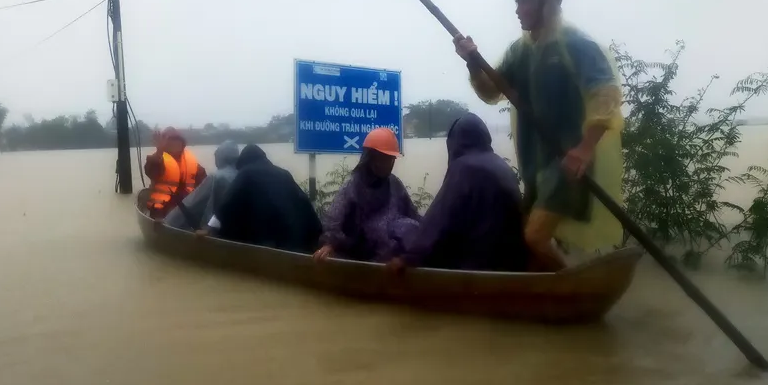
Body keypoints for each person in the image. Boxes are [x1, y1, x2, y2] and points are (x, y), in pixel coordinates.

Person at [454, 0, 624, 269]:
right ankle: (544, 293)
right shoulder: (519, 51)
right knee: (522, 235)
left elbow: (606, 96)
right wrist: (471, 62)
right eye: (517, 1)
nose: (518, 9)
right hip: (536, 162)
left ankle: (572, 291)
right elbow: (492, 92)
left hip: (568, 162)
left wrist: (585, 149)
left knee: (534, 237)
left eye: (525, 1)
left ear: (549, 3)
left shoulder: (576, 45)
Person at [386, 114, 530, 273]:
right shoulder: (501, 165)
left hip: (477, 268)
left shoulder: (465, 168)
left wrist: (408, 258)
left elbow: (439, 221)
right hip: (512, 264)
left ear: (454, 142)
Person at [313, 128, 420, 262]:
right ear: (370, 158)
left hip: (391, 261)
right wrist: (329, 244)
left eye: (390, 159)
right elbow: (334, 219)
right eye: (382, 159)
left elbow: (413, 216)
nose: (386, 164)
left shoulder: (394, 184)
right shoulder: (353, 185)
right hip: (362, 259)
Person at [210, 144, 322, 253]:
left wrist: (210, 228)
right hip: (293, 241)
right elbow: (304, 203)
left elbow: (228, 204)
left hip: (263, 245)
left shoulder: (246, 173)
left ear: (243, 161)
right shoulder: (283, 174)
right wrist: (317, 235)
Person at [163, 141, 240, 230]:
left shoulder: (215, 177)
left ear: (220, 157)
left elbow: (191, 203)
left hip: (214, 229)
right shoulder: (242, 174)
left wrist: (168, 222)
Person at [144, 127, 207, 219]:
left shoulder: (191, 162)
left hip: (187, 202)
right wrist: (159, 152)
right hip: (163, 206)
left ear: (182, 144)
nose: (174, 145)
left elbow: (205, 183)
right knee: (170, 214)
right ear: (164, 144)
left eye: (177, 141)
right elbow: (151, 172)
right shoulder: (159, 158)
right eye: (170, 141)